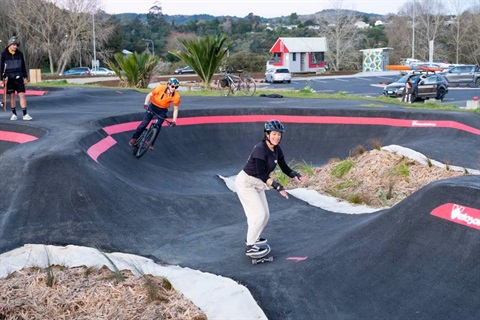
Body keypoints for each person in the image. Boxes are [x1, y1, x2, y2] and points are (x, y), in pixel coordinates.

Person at [235, 119, 309, 256]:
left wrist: (296, 175)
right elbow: (262, 174)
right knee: (259, 214)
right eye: (274, 134)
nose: (277, 137)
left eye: (279, 135)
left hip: (258, 184)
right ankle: (250, 246)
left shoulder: (276, 149)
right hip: (246, 183)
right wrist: (278, 187)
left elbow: (284, 167)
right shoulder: (260, 149)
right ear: (267, 134)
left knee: (266, 215)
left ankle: (254, 236)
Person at [129, 77, 180, 147]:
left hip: (163, 110)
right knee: (145, 123)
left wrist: (174, 121)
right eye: (172, 86)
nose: (173, 88)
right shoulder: (160, 88)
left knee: (158, 126)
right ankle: (134, 138)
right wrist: (146, 104)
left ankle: (150, 143)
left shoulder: (176, 96)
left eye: (176, 87)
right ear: (168, 85)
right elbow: (149, 95)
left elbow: (176, 109)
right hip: (153, 106)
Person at [0, 36, 32, 121]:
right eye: (14, 45)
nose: (15, 46)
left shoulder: (19, 54)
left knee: (22, 95)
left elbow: (23, 66)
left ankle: (25, 114)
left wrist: (25, 76)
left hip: (19, 77)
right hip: (9, 78)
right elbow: (1, 67)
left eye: (16, 45)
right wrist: (1, 79)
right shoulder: (4, 54)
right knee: (12, 96)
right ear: (9, 45)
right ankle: (14, 114)